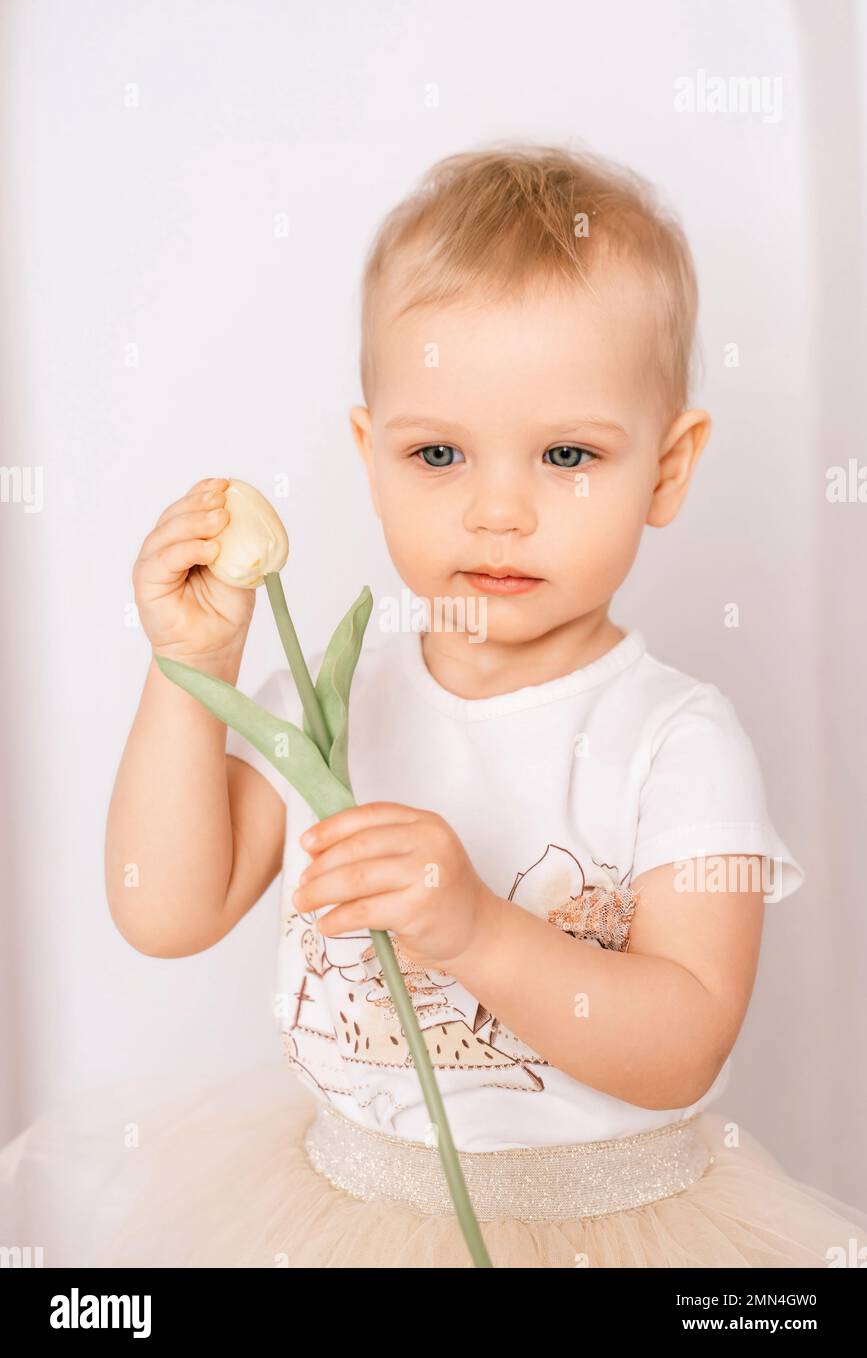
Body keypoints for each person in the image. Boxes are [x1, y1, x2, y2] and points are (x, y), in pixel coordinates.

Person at [3, 144, 866, 1269]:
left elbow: (686, 1042)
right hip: (352, 1212)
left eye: (566, 453)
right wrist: (190, 674)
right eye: (439, 452)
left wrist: (476, 929)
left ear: (667, 466)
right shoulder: (331, 701)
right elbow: (165, 909)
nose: (497, 509)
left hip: (604, 1228)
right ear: (371, 455)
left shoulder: (676, 739)